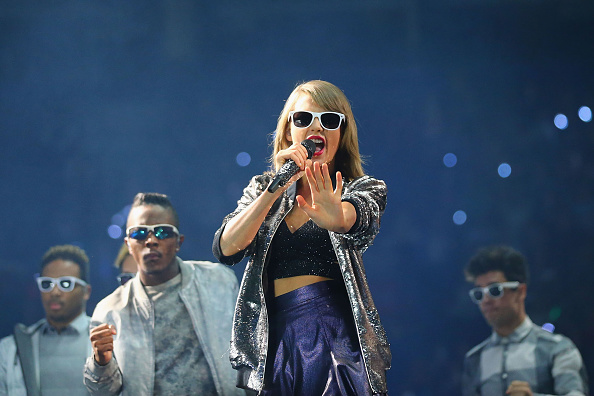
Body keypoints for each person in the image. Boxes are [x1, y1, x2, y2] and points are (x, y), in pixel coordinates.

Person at [213, 80, 391, 395]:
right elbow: (227, 248)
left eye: (330, 120)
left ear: (341, 134)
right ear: (287, 133)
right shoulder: (263, 189)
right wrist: (277, 186)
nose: (316, 127)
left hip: (333, 338)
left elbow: (353, 217)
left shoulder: (362, 188)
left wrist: (335, 216)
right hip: (273, 339)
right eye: (304, 119)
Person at [84, 193, 242, 396]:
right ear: (128, 245)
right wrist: (101, 363)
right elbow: (102, 392)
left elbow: (251, 354)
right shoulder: (110, 310)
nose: (151, 241)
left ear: (179, 241)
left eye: (162, 232)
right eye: (139, 233)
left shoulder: (219, 281)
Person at [462, 245, 589, 396]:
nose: (486, 300)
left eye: (494, 290)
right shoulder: (474, 359)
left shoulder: (558, 349)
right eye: (479, 294)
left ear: (520, 292)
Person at [0, 245, 93, 395]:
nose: (54, 292)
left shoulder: (110, 341)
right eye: (46, 284)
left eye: (65, 283)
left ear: (86, 291)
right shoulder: (12, 349)